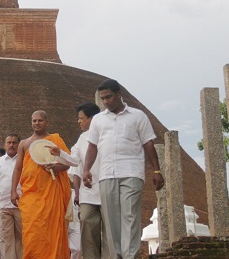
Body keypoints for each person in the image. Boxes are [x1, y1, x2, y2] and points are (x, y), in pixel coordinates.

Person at [83, 79, 164, 259]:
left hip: (131, 172)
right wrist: (86, 169)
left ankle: (130, 256)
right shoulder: (98, 120)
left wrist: (156, 171)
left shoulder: (137, 116)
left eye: (109, 97)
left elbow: (148, 143)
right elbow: (92, 147)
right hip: (106, 174)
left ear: (119, 95)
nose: (106, 102)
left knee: (130, 217)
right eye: (103, 99)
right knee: (111, 222)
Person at [11, 110, 72, 259]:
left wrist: (58, 168)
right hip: (31, 194)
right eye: (34, 121)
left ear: (47, 122)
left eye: (40, 120)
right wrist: (13, 190)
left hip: (51, 193)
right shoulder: (24, 144)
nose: (37, 123)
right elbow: (18, 168)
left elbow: (68, 163)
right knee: (32, 231)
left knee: (52, 230)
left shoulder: (55, 140)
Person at [70, 101, 108, 259]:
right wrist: (77, 193)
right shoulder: (82, 138)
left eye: (81, 118)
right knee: (86, 224)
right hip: (88, 193)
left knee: (109, 232)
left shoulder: (107, 134)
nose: (78, 121)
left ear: (92, 118)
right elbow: (74, 164)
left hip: (107, 190)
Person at [0, 134, 23, 259]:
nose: (11, 145)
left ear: (19, 144)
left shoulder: (25, 161)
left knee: (22, 238)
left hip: (21, 205)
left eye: (14, 143)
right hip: (3, 205)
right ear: (5, 145)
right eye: (9, 142)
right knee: (6, 239)